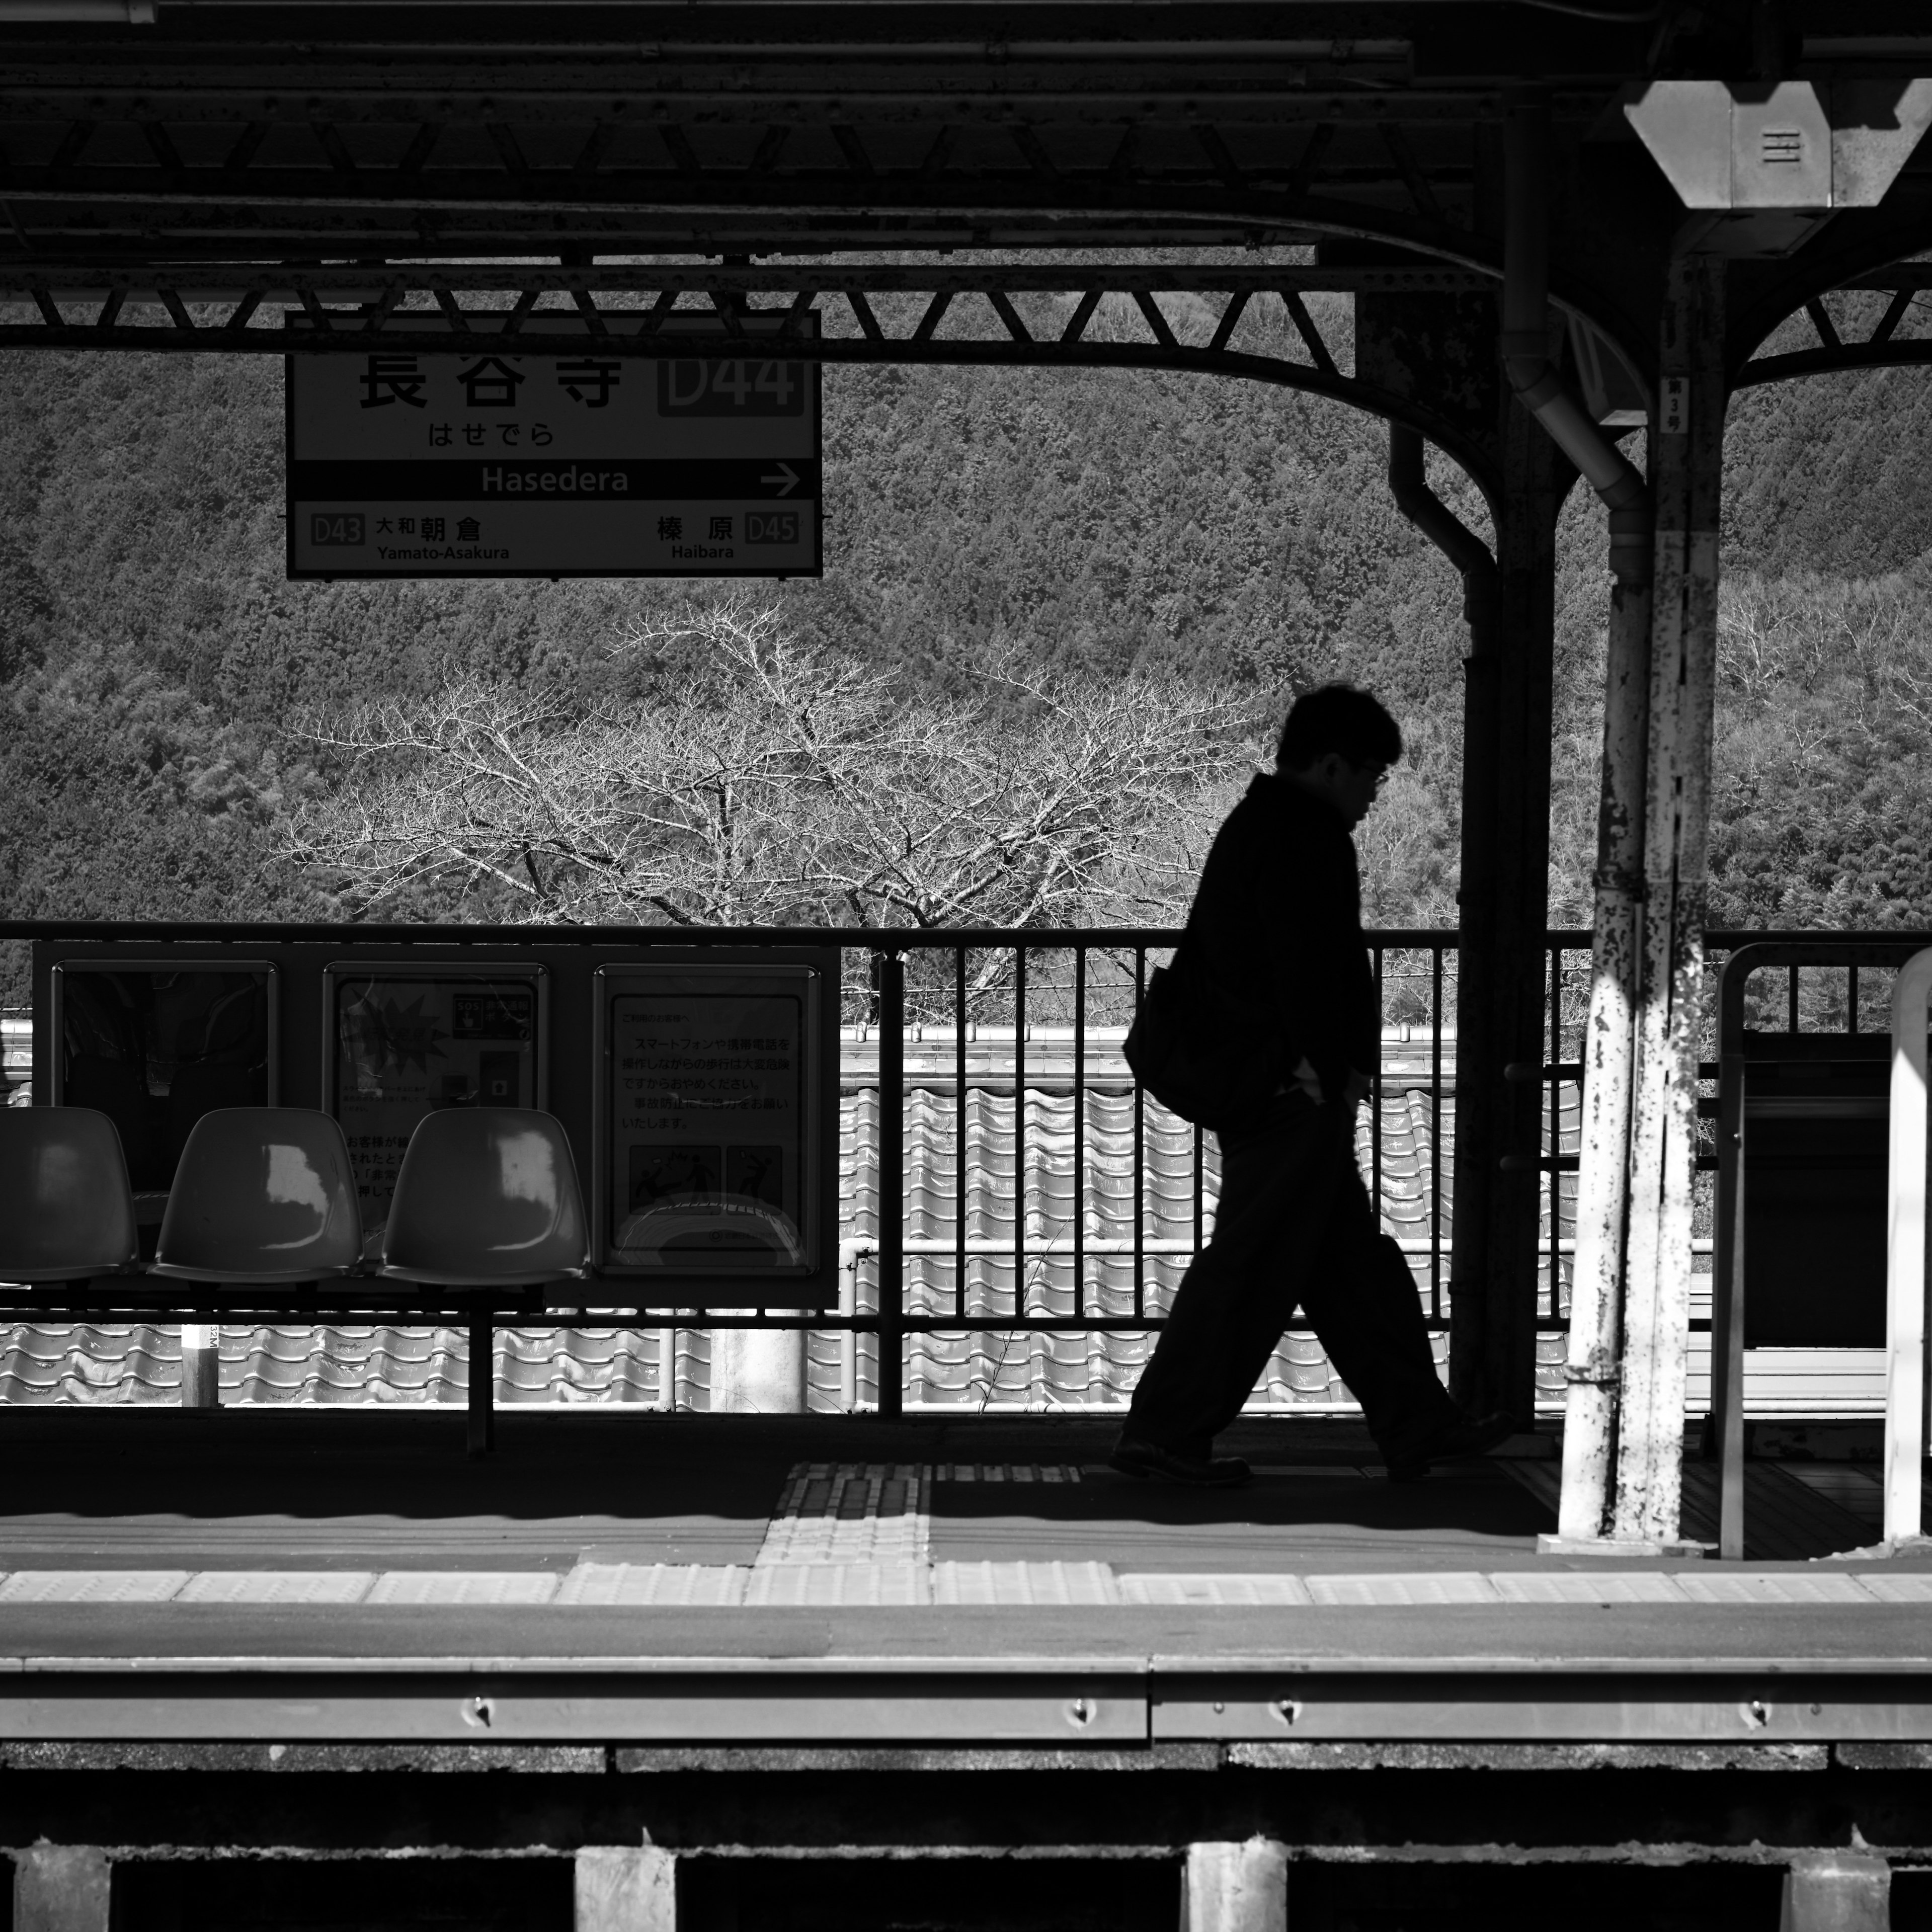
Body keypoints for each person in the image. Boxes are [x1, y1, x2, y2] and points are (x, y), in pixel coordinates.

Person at [1112, 684, 1515, 1487]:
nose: (1374, 792)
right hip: (1289, 1091)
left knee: (1347, 1267)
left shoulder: (1262, 821)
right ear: (1330, 765)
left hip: (1273, 1082)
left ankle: (1416, 1423)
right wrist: (1324, 1071)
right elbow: (1310, 967)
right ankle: (1164, 1432)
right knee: (1254, 1263)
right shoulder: (1304, 833)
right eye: (1371, 774)